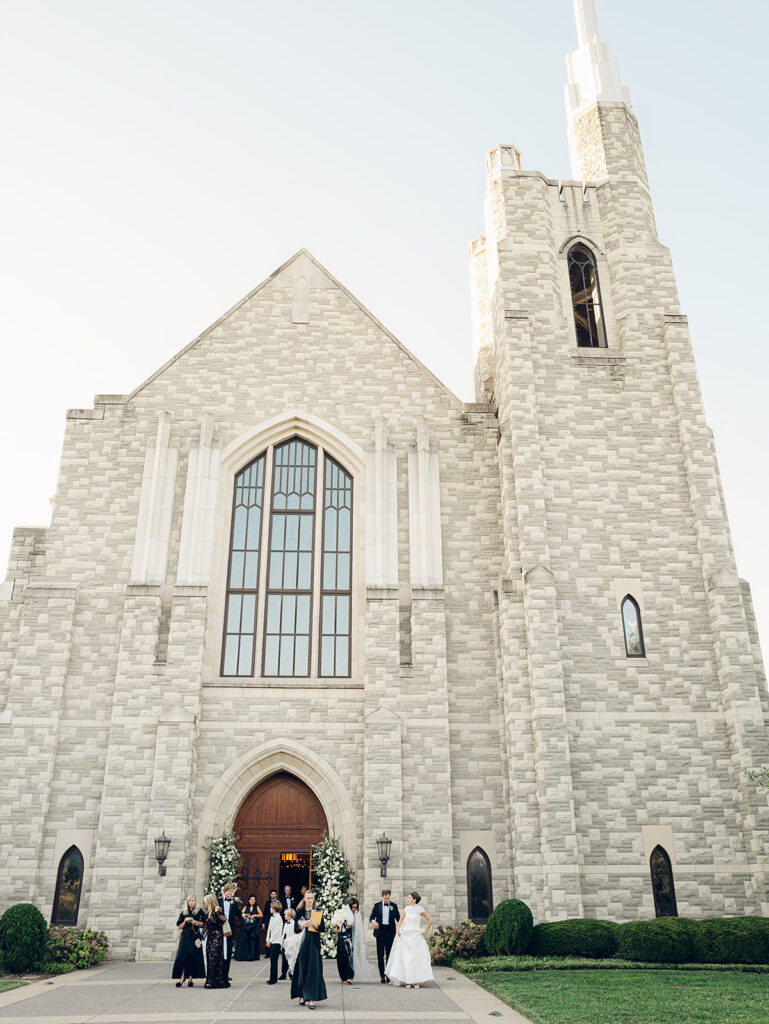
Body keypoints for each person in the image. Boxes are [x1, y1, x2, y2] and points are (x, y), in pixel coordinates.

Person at [385, 891, 434, 988]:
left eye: (410, 898)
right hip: (406, 935)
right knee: (406, 958)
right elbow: (401, 919)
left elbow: (430, 920)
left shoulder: (419, 909)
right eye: (408, 897)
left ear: (415, 900)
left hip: (416, 936)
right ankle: (407, 980)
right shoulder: (406, 909)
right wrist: (398, 929)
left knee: (415, 959)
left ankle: (416, 980)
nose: (408, 899)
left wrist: (425, 932)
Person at [290, 890, 327, 1009]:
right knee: (302, 969)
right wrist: (302, 925)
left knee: (313, 970)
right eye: (308, 898)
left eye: (312, 898)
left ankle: (311, 998)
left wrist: (314, 924)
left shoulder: (317, 912)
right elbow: (295, 930)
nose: (310, 900)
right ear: (304, 899)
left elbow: (323, 928)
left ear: (314, 900)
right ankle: (301, 995)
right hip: (302, 943)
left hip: (314, 944)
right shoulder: (299, 912)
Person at [172, 895, 205, 987]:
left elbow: (204, 924)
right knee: (181, 957)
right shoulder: (184, 912)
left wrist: (196, 922)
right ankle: (182, 978)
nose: (191, 902)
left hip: (194, 936)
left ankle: (190, 979)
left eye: (193, 900)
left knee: (192, 957)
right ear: (187, 902)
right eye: (189, 901)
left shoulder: (199, 911)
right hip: (185, 937)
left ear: (195, 901)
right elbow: (179, 926)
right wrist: (185, 922)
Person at [369, 889, 399, 983]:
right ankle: (382, 975)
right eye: (385, 898)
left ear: (390, 897)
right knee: (380, 955)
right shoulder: (377, 906)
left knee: (390, 955)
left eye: (388, 899)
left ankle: (388, 975)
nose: (386, 900)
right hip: (380, 932)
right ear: (382, 897)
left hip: (390, 933)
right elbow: (371, 917)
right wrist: (374, 922)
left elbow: (398, 918)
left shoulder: (394, 906)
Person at [349, 897, 379, 980]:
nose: (354, 909)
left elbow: (360, 928)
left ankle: (351, 973)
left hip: (355, 935)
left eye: (356, 907)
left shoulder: (357, 914)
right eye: (353, 907)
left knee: (354, 953)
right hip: (348, 934)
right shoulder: (347, 913)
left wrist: (363, 938)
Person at [202, 893, 228, 989]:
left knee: (214, 958)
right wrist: (199, 937)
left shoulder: (218, 910)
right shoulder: (207, 912)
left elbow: (224, 920)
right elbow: (205, 925)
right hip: (210, 937)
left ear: (209, 901)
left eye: (205, 902)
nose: (204, 903)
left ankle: (214, 982)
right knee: (209, 958)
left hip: (217, 937)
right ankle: (209, 980)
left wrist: (217, 912)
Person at [220, 883, 242, 983]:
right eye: (229, 891)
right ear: (225, 891)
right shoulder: (219, 901)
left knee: (228, 952)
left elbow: (239, 914)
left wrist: (245, 916)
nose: (231, 893)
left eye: (232, 892)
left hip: (229, 931)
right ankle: (219, 973)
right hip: (220, 930)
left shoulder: (233, 903)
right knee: (220, 952)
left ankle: (226, 974)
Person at [233, 894, 262, 962]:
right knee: (245, 940)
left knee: (253, 941)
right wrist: (246, 915)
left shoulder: (257, 907)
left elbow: (261, 915)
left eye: (254, 900)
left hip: (254, 926)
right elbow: (241, 914)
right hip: (246, 926)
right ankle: (245, 956)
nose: (253, 901)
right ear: (249, 900)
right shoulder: (246, 907)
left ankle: (252, 956)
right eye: (251, 899)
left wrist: (254, 915)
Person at [334, 903, 354, 984]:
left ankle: (349, 976)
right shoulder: (339, 915)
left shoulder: (351, 918)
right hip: (340, 938)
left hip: (348, 938)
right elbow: (336, 929)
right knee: (341, 958)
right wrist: (338, 924)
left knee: (349, 957)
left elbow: (351, 925)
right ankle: (343, 976)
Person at [265, 901, 284, 984]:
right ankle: (272, 978)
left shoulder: (278, 919)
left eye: (271, 908)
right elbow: (269, 929)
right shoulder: (272, 917)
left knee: (274, 960)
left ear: (275, 909)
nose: (270, 909)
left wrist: (270, 940)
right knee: (272, 960)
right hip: (272, 940)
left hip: (276, 941)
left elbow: (276, 932)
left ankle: (273, 979)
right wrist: (267, 939)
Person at [282, 908, 302, 979]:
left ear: (290, 916)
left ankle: (291, 973)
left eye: (285, 915)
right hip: (285, 942)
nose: (284, 916)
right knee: (284, 959)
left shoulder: (293, 923)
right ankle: (283, 974)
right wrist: (282, 943)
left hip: (291, 943)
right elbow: (283, 934)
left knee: (291, 959)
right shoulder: (285, 924)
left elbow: (294, 934)